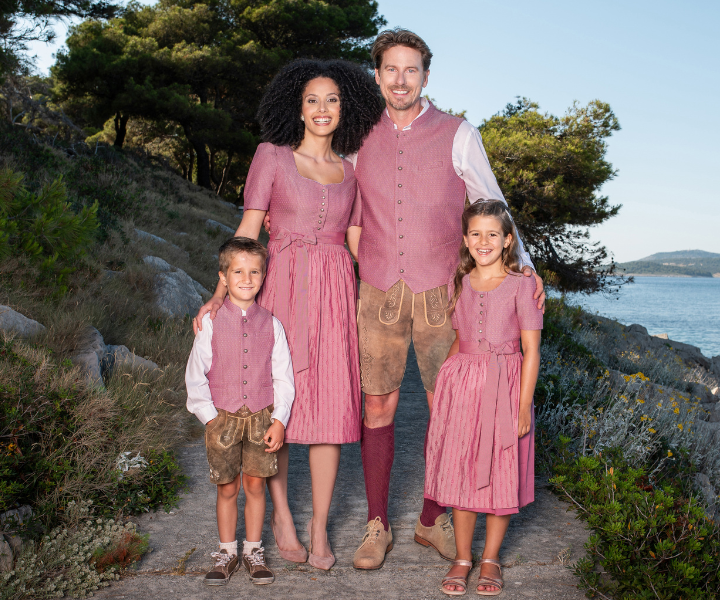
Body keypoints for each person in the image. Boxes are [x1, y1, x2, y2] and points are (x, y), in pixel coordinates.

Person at [346, 28, 546, 570]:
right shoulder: (358, 134)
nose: (401, 80)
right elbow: (346, 203)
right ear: (377, 76)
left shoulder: (459, 134)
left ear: (426, 77)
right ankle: (377, 524)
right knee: (377, 405)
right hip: (379, 290)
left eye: (411, 70)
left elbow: (492, 203)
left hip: (443, 291)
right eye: (391, 69)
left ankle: (431, 519)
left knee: (448, 407)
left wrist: (525, 268)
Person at [194, 59, 383, 570]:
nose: (322, 109)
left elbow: (358, 242)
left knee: (330, 408)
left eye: (332, 100)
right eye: (312, 100)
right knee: (276, 403)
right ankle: (280, 515)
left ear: (345, 109)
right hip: (282, 286)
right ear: (297, 109)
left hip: (335, 292)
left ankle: (319, 527)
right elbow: (248, 230)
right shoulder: (272, 156)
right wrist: (218, 295)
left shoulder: (352, 171)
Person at [425, 200, 542, 596]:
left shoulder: (523, 285)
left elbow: (531, 350)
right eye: (475, 233)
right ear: (465, 239)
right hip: (461, 387)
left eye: (493, 233)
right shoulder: (458, 282)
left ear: (508, 240)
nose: (483, 240)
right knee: (460, 469)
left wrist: (523, 406)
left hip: (505, 386)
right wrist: (444, 387)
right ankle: (463, 558)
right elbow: (460, 341)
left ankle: (490, 558)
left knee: (499, 471)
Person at [186, 237, 296, 586]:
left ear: (263, 276)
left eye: (254, 272)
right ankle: (226, 552)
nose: (246, 279)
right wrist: (210, 417)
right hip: (223, 418)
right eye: (238, 272)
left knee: (255, 485)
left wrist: (279, 420)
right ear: (223, 277)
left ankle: (252, 551)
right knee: (227, 487)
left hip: (262, 417)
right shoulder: (211, 322)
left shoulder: (272, 324)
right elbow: (195, 374)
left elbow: (284, 378)